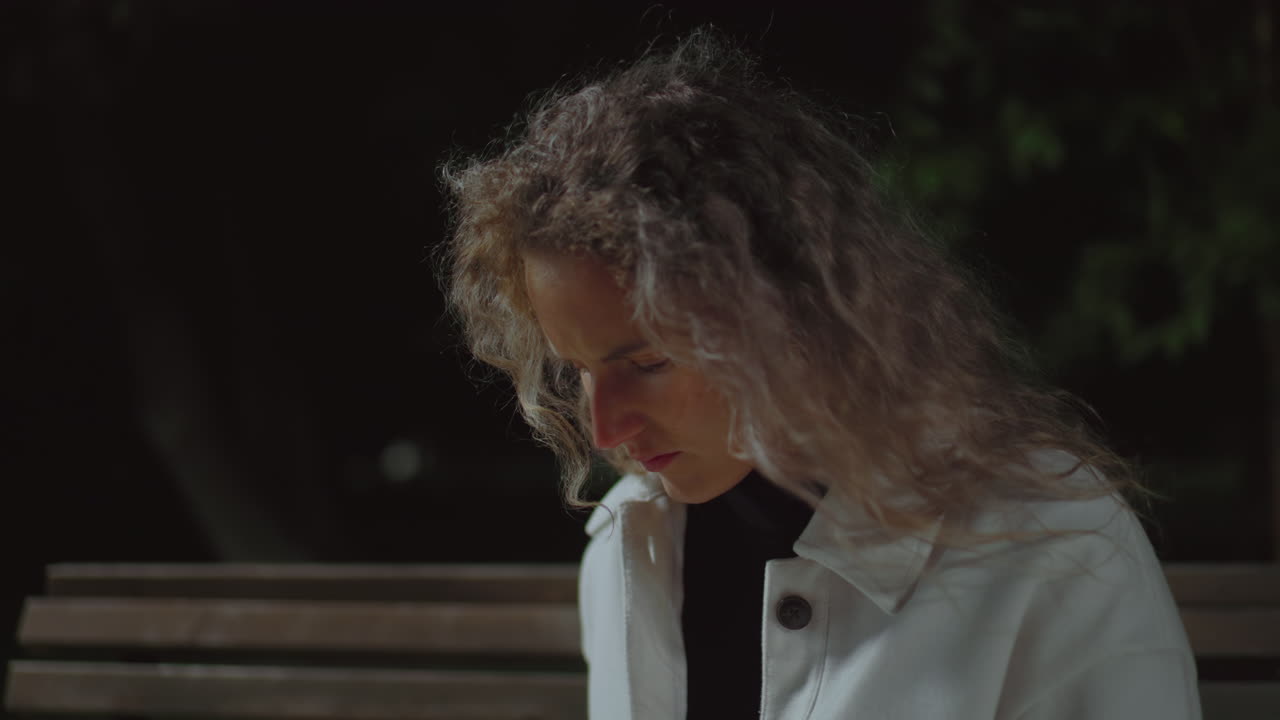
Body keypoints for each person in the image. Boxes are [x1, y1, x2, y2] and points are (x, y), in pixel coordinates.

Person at [439, 30, 1200, 720]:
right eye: (576, 371)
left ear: (789, 314)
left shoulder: (1047, 543)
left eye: (648, 362)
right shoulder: (627, 544)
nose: (606, 431)